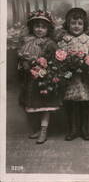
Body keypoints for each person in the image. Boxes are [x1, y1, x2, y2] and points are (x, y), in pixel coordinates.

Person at [18, 10, 61, 144]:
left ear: (48, 29)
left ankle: (44, 130)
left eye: (43, 27)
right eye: (37, 26)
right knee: (35, 105)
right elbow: (22, 58)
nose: (40, 29)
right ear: (32, 28)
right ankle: (38, 128)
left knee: (45, 105)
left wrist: (46, 68)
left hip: (45, 79)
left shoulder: (50, 43)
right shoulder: (28, 42)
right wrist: (24, 64)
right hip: (31, 79)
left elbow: (56, 61)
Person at [57, 7, 89, 141]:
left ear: (84, 25)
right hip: (70, 78)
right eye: (73, 23)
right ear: (67, 24)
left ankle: (84, 128)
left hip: (85, 78)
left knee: (85, 103)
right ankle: (73, 129)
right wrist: (67, 64)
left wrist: (88, 63)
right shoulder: (63, 42)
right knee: (71, 103)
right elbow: (59, 58)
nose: (76, 26)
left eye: (80, 23)